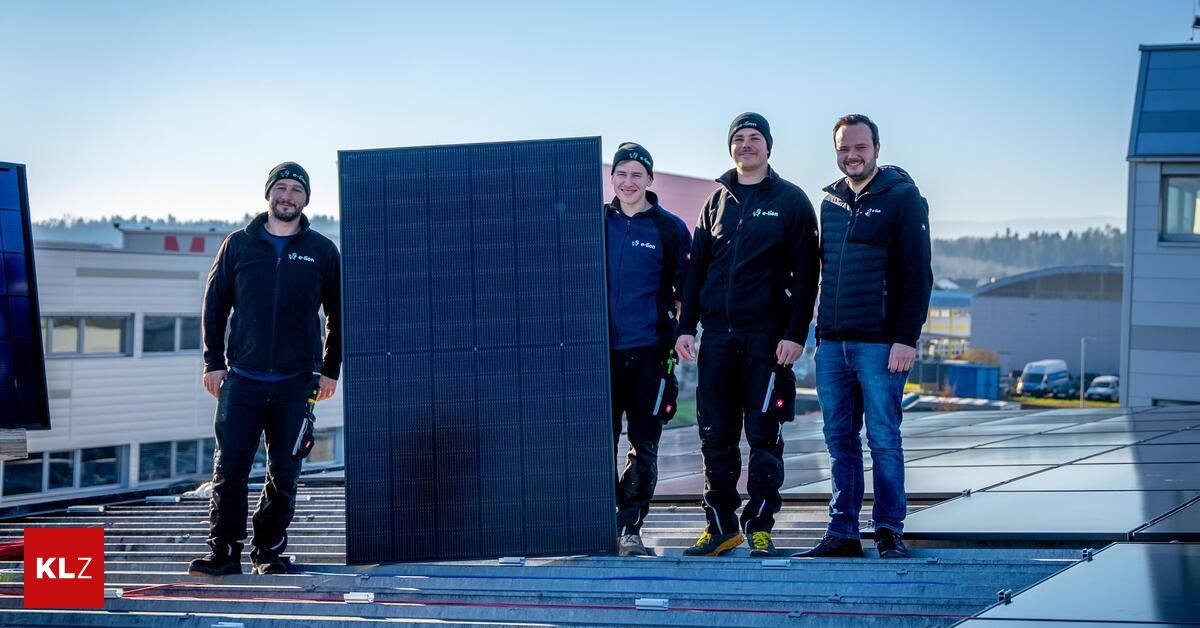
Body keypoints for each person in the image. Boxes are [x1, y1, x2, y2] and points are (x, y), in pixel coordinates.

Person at [675, 113, 820, 557]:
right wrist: (685, 327)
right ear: (730, 148)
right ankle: (721, 527)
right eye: (738, 139)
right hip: (717, 339)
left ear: (768, 147)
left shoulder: (792, 200)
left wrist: (796, 333)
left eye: (754, 138)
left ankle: (760, 526)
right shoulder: (715, 201)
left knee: (763, 435)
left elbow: (808, 273)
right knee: (714, 436)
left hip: (767, 340)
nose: (746, 145)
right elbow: (697, 270)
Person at [189, 162, 342, 576]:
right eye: (281, 188)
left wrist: (330, 369)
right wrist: (213, 363)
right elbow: (214, 305)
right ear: (268, 194)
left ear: (306, 199)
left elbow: (338, 313)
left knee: (285, 472)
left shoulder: (323, 250)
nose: (287, 196)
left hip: (297, 382)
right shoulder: (239, 245)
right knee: (230, 468)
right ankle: (223, 552)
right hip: (243, 380)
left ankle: (268, 551)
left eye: (296, 189)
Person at [794, 114, 932, 559]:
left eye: (860, 148)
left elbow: (918, 274)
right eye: (844, 149)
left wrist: (906, 338)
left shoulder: (903, 198)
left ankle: (889, 529)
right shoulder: (829, 203)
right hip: (831, 343)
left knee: (884, 439)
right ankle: (843, 532)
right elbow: (821, 271)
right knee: (839, 440)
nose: (852, 156)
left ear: (876, 148)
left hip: (880, 344)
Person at [605, 142, 692, 557]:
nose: (628, 181)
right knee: (597, 443)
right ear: (612, 179)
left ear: (650, 180)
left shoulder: (670, 228)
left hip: (650, 356)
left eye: (637, 174)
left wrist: (679, 330)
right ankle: (597, 521)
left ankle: (629, 527)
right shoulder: (594, 224)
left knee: (644, 444)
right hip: (598, 356)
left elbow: (687, 289)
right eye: (621, 173)